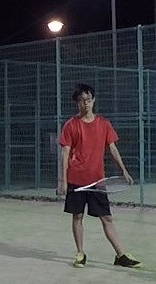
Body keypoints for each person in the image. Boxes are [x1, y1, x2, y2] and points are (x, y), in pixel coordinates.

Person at [57, 83, 141, 269]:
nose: (85, 103)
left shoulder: (104, 124)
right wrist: (62, 181)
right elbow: (65, 153)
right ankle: (80, 254)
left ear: (93, 100)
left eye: (88, 99)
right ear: (77, 103)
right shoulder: (71, 125)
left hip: (97, 181)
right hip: (76, 179)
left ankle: (120, 256)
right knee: (77, 216)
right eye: (81, 101)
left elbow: (112, 149)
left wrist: (123, 170)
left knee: (107, 218)